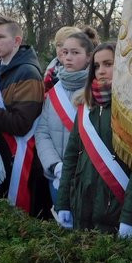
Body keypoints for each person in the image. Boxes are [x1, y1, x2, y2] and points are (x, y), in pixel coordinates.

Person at [54, 43, 132, 234]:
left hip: (116, 212)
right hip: (82, 211)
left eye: (108, 64)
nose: (101, 71)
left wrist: (130, 218)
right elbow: (71, 158)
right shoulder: (86, 107)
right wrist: (63, 202)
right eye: (96, 66)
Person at [0, 15, 48, 216]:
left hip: (20, 159)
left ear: (17, 41)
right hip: (0, 157)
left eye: (0, 37)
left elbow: (21, 124)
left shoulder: (27, 73)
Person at [36, 31, 92, 205]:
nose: (68, 57)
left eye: (75, 53)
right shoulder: (54, 92)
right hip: (56, 177)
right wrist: (55, 165)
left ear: (89, 57)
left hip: (87, 179)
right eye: (65, 52)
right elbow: (42, 133)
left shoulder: (96, 92)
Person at [43, 25, 82, 92]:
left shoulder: (89, 73)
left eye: (67, 44)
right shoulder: (50, 73)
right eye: (59, 45)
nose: (62, 49)